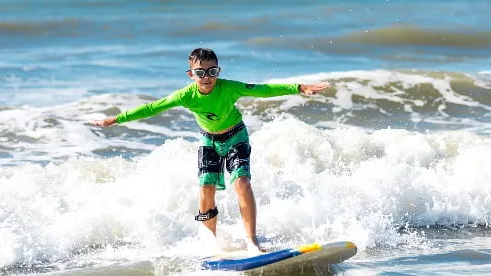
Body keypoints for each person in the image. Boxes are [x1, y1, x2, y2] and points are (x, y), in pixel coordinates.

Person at [94, 48, 330, 252]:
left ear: (218, 71)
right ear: (191, 75)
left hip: (236, 135)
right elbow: (153, 107)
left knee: (242, 183)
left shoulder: (229, 88)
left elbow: (264, 89)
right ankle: (210, 241)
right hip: (209, 140)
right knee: (206, 188)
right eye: (200, 73)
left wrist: (299, 87)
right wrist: (116, 119)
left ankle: (252, 240)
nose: (206, 77)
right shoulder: (186, 95)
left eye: (212, 72)